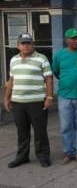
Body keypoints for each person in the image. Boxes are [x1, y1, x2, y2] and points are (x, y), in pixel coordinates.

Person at [4, 33, 53, 168]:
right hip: (18, 102)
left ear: (33, 45)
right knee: (22, 131)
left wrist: (49, 97)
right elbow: (11, 80)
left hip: (37, 102)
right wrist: (6, 98)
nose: (26, 46)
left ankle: (43, 156)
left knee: (40, 131)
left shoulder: (41, 58)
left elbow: (48, 78)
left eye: (28, 43)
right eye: (23, 43)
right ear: (18, 45)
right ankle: (22, 156)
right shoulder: (13, 60)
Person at [53, 28, 77, 164]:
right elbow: (56, 72)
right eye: (73, 38)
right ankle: (68, 152)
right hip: (64, 96)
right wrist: (68, 81)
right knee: (65, 126)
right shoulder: (60, 55)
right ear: (66, 40)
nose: (76, 40)